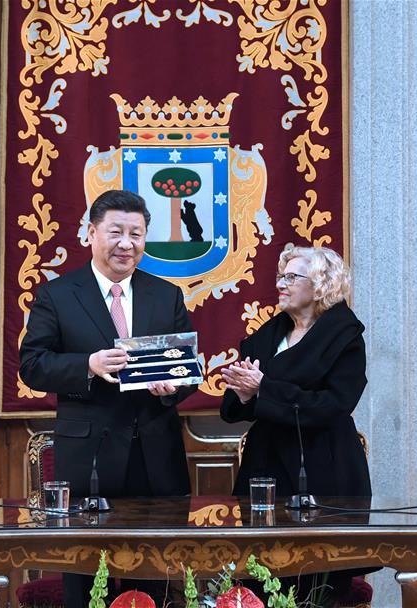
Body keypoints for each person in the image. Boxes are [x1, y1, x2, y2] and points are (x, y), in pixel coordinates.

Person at [19, 189, 196, 607]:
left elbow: (186, 369)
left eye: (136, 234)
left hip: (155, 456)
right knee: (84, 576)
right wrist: (88, 364)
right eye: (116, 232)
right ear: (91, 233)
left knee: (154, 578)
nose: (126, 244)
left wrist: (173, 388)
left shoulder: (166, 294)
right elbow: (32, 364)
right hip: (88, 458)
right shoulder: (58, 295)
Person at [220, 244, 371, 604]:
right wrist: (245, 394)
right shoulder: (269, 334)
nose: (280, 284)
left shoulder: (345, 335)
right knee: (258, 577)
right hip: (265, 468)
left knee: (316, 584)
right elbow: (233, 405)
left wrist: (265, 388)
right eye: (280, 276)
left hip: (323, 467)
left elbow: (334, 406)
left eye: (291, 277)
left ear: (320, 285)